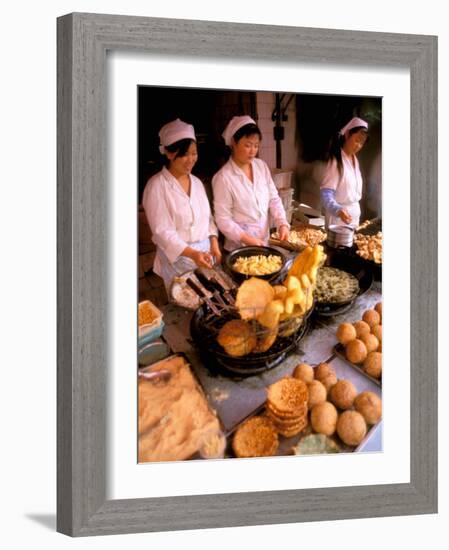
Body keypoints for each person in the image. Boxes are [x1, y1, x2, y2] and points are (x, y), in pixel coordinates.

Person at [142, 118, 221, 292]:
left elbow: (208, 219)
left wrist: (214, 243)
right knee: (185, 304)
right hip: (178, 259)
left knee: (210, 300)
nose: (191, 159)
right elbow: (162, 232)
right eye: (184, 154)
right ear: (169, 154)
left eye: (194, 153)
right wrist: (192, 254)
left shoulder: (197, 183)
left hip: (205, 256)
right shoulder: (156, 186)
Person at [212, 115, 290, 252]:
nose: (253, 151)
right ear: (233, 143)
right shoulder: (223, 178)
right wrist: (247, 239)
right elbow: (223, 219)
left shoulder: (261, 167)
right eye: (247, 145)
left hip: (263, 242)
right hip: (239, 248)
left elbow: (273, 198)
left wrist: (282, 223)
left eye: (256, 145)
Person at [319, 116, 369, 228]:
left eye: (362, 143)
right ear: (347, 135)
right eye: (356, 140)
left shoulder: (354, 159)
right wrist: (338, 210)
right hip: (339, 221)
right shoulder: (336, 161)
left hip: (354, 218)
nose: (358, 146)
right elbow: (325, 194)